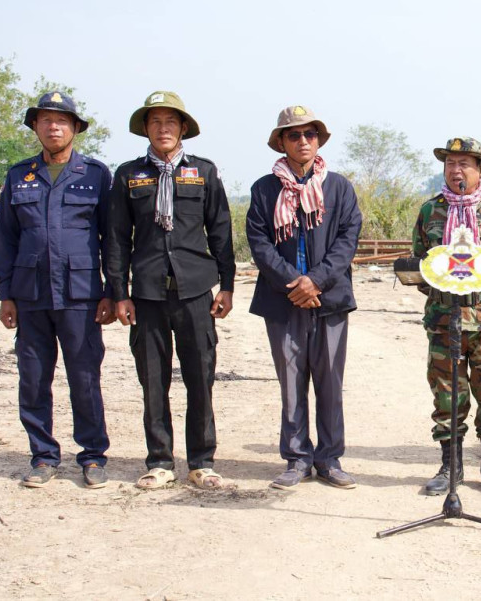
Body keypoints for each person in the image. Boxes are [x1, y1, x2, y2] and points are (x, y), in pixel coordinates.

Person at [106, 91, 235, 489]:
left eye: (171, 122)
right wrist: (119, 293)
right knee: (152, 380)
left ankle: (201, 462)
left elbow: (221, 231)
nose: (163, 128)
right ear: (145, 129)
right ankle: (160, 461)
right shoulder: (128, 175)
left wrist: (227, 286)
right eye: (155, 121)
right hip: (146, 295)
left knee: (201, 378)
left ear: (183, 129)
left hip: (195, 291)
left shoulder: (204, 172)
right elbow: (116, 239)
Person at [0, 91, 114, 489]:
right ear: (35, 127)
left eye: (61, 121)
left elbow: (112, 239)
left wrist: (112, 290)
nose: (53, 127)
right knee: (33, 379)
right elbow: (4, 239)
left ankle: (92, 456)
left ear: (75, 128)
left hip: (81, 295)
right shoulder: (18, 175)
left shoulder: (95, 174)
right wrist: (5, 294)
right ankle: (43, 457)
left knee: (85, 377)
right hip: (30, 296)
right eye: (45, 120)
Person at [245, 105, 361, 490]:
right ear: (281, 142)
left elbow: (347, 240)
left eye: (309, 134)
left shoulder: (338, 187)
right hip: (283, 301)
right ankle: (297, 459)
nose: (302, 141)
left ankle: (329, 459)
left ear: (318, 141)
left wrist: (316, 281)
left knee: (330, 383)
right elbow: (260, 244)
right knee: (291, 382)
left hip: (329, 300)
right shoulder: (264, 189)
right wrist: (295, 284)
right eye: (293, 135)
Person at [412, 137, 481, 495]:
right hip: (444, 319)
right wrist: (448, 289)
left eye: (464, 164)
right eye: (450, 163)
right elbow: (419, 265)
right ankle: (451, 465)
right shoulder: (431, 212)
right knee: (447, 394)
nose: (456, 170)